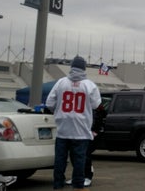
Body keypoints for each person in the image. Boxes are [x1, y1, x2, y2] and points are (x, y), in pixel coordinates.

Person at [46, 56, 101, 190]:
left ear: (71, 67)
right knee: (79, 161)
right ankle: (78, 186)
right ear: (84, 68)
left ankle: (58, 185)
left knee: (60, 160)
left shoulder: (61, 82)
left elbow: (49, 104)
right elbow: (96, 105)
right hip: (81, 130)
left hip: (63, 129)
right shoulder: (89, 85)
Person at [66, 103, 106, 187]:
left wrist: (95, 130)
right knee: (74, 155)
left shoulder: (93, 103)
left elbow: (98, 116)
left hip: (90, 133)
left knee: (85, 154)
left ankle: (88, 176)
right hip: (79, 132)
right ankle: (77, 176)